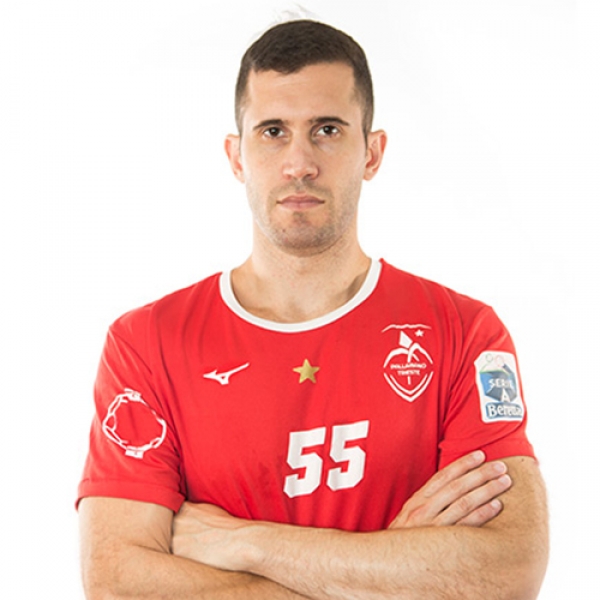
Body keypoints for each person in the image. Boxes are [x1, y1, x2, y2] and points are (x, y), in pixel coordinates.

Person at [78, 19, 548, 599]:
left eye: (327, 130)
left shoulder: (464, 333)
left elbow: (510, 568)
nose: (299, 162)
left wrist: (250, 543)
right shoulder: (147, 343)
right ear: (236, 156)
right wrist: (392, 570)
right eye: (273, 131)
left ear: (372, 151)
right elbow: (117, 583)